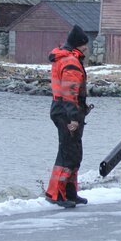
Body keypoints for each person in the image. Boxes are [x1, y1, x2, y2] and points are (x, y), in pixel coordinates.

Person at [45, 25, 91, 208]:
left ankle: (70, 192)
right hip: (67, 111)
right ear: (77, 45)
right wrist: (73, 118)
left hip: (63, 109)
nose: (87, 48)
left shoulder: (65, 59)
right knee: (68, 153)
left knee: (74, 152)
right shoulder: (71, 62)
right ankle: (56, 194)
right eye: (84, 44)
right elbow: (70, 93)